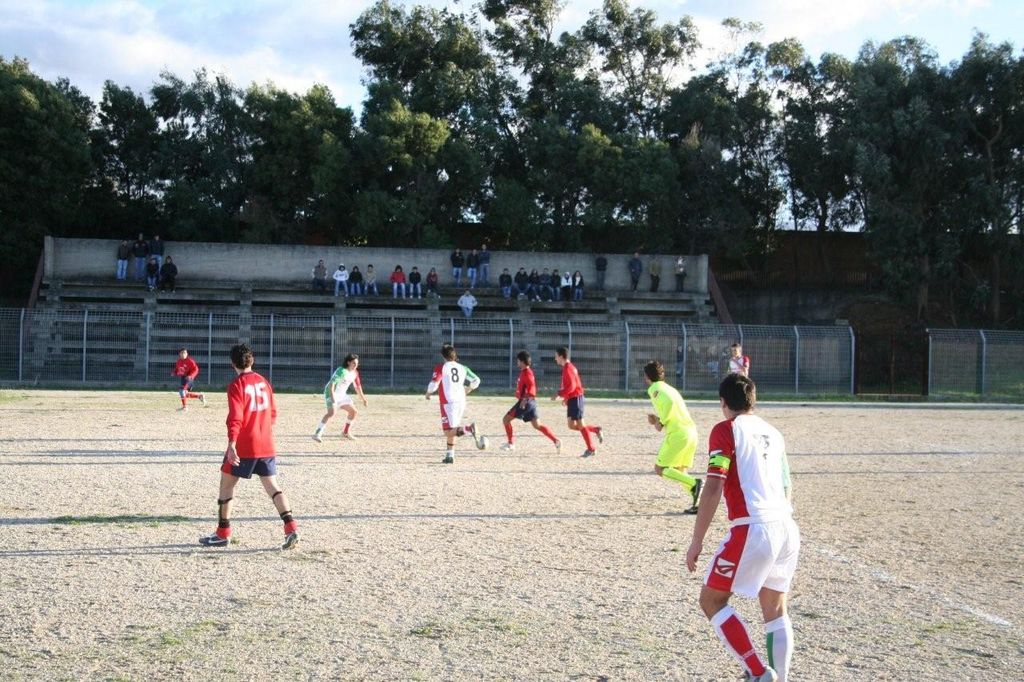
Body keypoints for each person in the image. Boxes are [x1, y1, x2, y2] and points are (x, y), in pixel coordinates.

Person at [685, 373, 798, 682]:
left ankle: (758, 673)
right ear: (753, 401)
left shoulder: (726, 430)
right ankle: (779, 678)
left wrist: (696, 540)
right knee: (775, 609)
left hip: (754, 528)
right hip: (786, 527)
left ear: (722, 403)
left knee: (711, 600)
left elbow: (713, 485)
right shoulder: (773, 433)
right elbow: (787, 486)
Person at [199, 343, 299, 550]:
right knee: (273, 487)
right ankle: (291, 528)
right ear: (252, 360)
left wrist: (232, 443)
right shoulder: (263, 381)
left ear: (232, 363)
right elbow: (273, 413)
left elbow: (236, 417)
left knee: (226, 484)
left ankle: (222, 533)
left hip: (246, 444)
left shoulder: (237, 385)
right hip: (266, 443)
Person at [643, 360, 702, 512]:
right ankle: (698, 502)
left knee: (660, 468)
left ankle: (695, 484)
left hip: (678, 434)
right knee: (679, 470)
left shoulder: (654, 389)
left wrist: (660, 422)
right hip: (690, 432)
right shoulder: (669, 388)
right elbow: (671, 408)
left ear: (647, 377)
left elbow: (667, 403)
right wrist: (658, 420)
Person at [425, 343, 483, 464]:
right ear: (454, 355)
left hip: (448, 402)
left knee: (448, 431)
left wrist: (428, 393)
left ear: (443, 356)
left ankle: (469, 429)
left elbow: (434, 384)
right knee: (454, 428)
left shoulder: (441, 367)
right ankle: (450, 456)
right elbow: (476, 380)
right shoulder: (463, 368)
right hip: (461, 400)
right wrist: (468, 389)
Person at [500, 351, 560, 453]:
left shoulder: (527, 373)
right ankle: (556, 441)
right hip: (531, 402)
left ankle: (510, 444)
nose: (517, 362)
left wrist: (524, 399)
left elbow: (532, 388)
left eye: (518, 360)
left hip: (525, 402)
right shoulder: (525, 372)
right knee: (537, 425)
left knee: (506, 420)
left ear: (522, 361)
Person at [551, 346, 603, 457]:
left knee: (580, 425)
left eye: (556, 356)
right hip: (573, 398)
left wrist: (559, 393)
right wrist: (566, 398)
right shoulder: (567, 367)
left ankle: (591, 449)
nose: (555, 358)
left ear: (561, 356)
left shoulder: (568, 368)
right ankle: (595, 430)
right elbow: (570, 386)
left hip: (576, 398)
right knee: (571, 425)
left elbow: (572, 386)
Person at [313, 353, 368, 442]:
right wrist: (332, 398)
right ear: (348, 362)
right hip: (331, 393)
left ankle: (345, 432)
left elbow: (358, 387)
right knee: (331, 413)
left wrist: (363, 399)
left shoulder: (355, 373)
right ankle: (317, 433)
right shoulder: (341, 371)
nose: (356, 365)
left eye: (357, 364)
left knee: (353, 412)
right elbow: (332, 384)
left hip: (342, 395)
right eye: (354, 363)